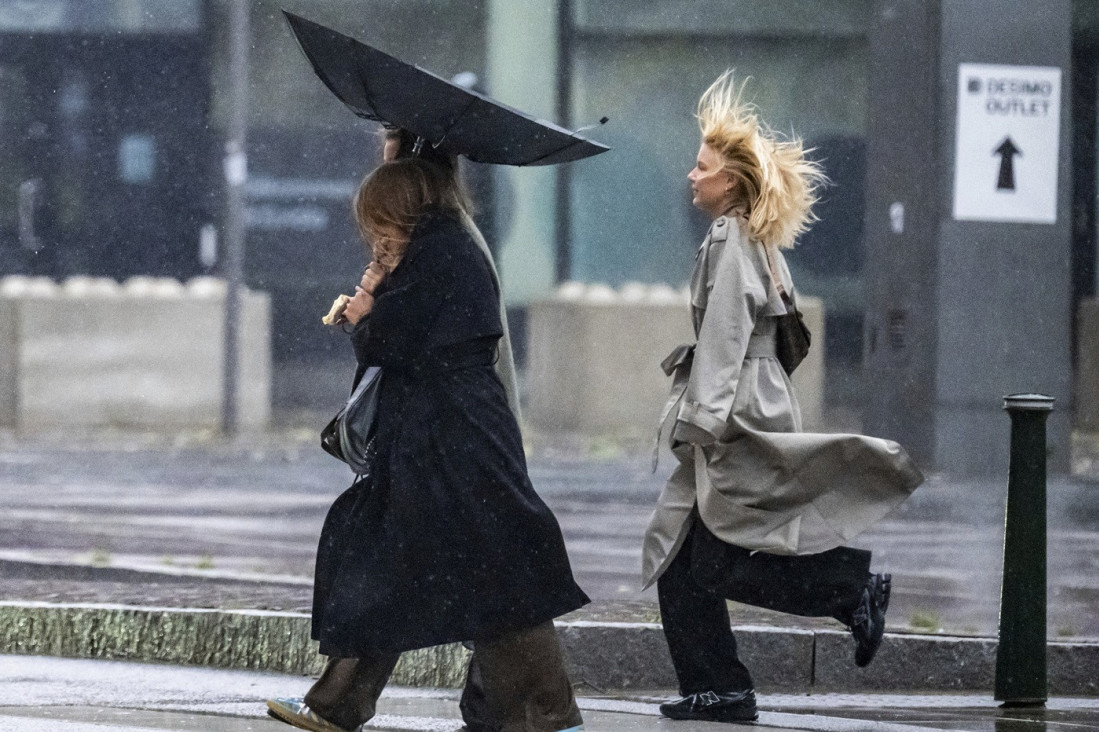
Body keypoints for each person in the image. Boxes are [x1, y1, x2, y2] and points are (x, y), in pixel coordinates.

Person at [267, 158, 589, 732]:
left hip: (453, 438)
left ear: (402, 205)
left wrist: (367, 309)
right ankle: (341, 704)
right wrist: (378, 287)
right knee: (404, 563)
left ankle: (549, 713)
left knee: (498, 571)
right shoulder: (437, 248)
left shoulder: (444, 251)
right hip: (441, 435)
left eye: (376, 221)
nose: (371, 235)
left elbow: (396, 341)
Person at [643, 71, 923, 724]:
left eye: (702, 167)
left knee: (710, 563)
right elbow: (786, 335)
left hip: (731, 415)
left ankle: (848, 589)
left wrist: (702, 422)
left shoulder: (728, 239)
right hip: (750, 402)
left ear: (731, 182)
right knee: (685, 562)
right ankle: (720, 687)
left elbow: (726, 332)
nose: (690, 176)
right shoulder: (757, 240)